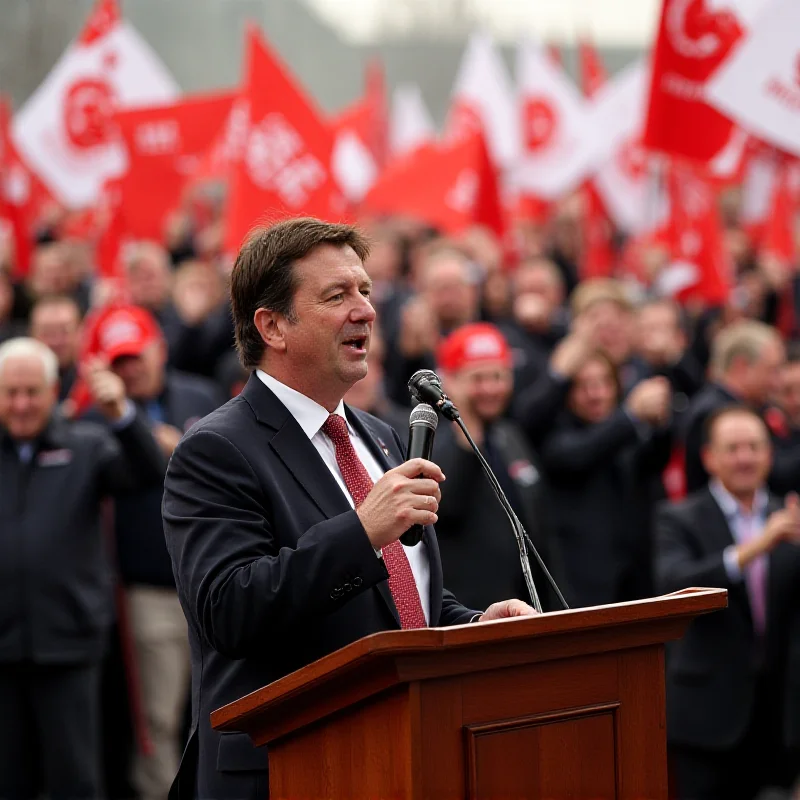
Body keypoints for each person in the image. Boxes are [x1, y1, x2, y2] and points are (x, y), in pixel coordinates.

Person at [161, 217, 536, 800]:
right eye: (337, 295)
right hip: (292, 767)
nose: (364, 309)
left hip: (405, 753)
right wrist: (360, 531)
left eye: (364, 290)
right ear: (273, 326)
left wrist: (469, 626)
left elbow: (404, 597)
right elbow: (228, 608)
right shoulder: (216, 449)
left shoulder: (378, 435)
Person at [0, 337, 165, 799]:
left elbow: (149, 473)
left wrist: (121, 414)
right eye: (10, 393)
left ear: (53, 392)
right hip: (3, 650)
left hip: (68, 645)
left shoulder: (86, 445)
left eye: (31, 392)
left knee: (75, 780)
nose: (20, 404)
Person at [93, 305, 224, 800]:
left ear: (159, 349)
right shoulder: (97, 418)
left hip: (213, 582)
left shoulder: (199, 394)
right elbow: (133, 474)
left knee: (219, 709)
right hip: (150, 590)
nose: (132, 370)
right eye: (119, 361)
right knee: (158, 719)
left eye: (138, 355)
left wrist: (184, 446)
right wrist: (129, 425)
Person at [655, 406, 800, 800]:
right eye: (733, 448)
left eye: (754, 447)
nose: (745, 458)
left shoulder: (789, 517)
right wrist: (756, 547)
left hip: (775, 719)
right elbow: (674, 584)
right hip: (706, 719)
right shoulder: (678, 517)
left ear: (770, 454)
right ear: (709, 458)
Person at [434, 322, 562, 611]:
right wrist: (464, 423)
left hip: (527, 604)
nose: (490, 388)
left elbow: (539, 525)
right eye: (477, 379)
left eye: (499, 377)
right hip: (468, 612)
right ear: (450, 381)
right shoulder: (428, 441)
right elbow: (447, 508)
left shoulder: (509, 436)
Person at [539, 351, 673, 606]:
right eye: (584, 386)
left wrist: (660, 423)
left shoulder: (627, 432)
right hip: (582, 584)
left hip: (635, 577)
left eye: (604, 383)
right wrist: (630, 414)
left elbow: (653, 461)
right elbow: (581, 454)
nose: (596, 394)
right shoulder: (556, 436)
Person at [682, 320, 788, 493]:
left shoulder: (753, 406)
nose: (778, 382)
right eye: (772, 370)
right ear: (742, 367)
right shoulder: (711, 413)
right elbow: (774, 474)